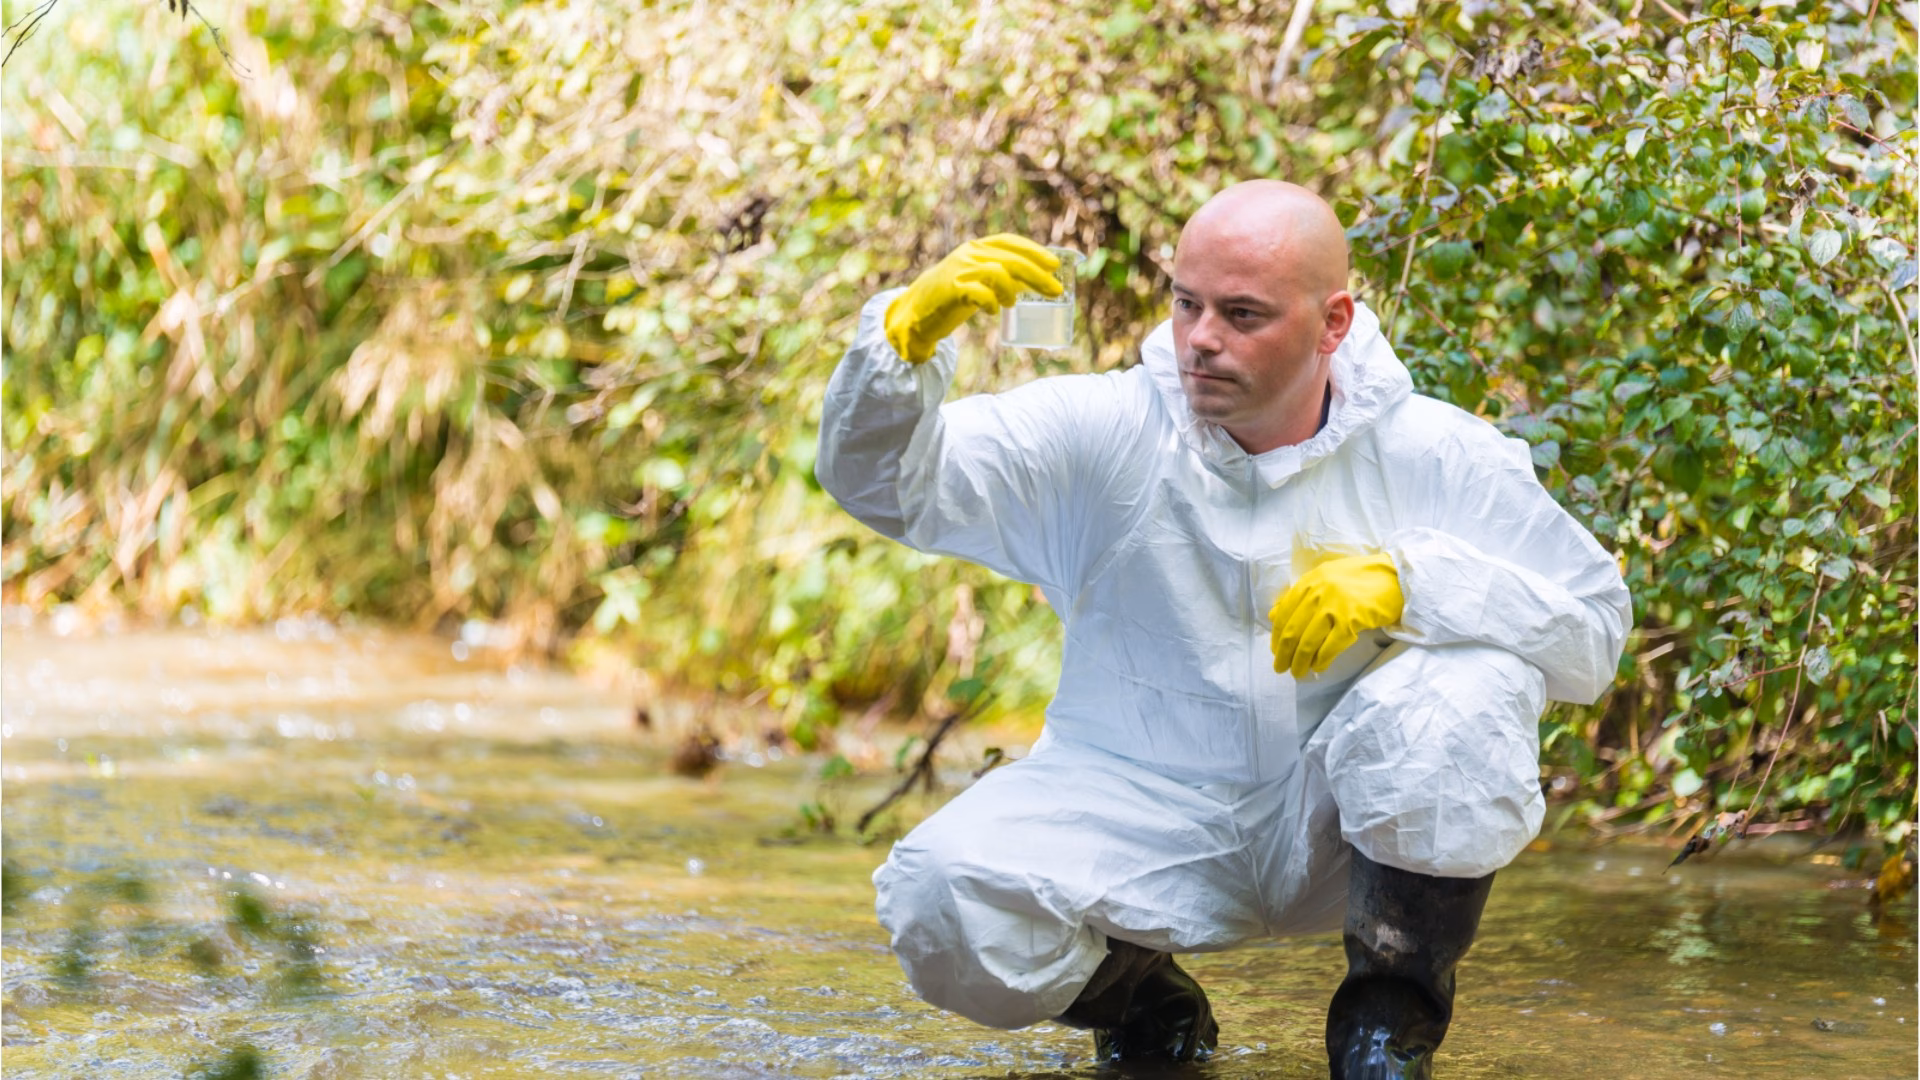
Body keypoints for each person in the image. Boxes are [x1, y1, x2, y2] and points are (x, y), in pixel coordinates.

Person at [815, 181, 1630, 1077]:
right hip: (1140, 807)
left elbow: (1593, 632)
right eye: (1186, 304)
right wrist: (898, 348)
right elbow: (891, 488)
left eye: (1243, 315)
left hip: (1344, 825)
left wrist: (1414, 583)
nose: (1202, 339)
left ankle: (1386, 1028)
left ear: (1333, 325)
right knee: (939, 900)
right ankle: (1148, 1007)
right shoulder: (1106, 429)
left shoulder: (1435, 454)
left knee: (1468, 683)